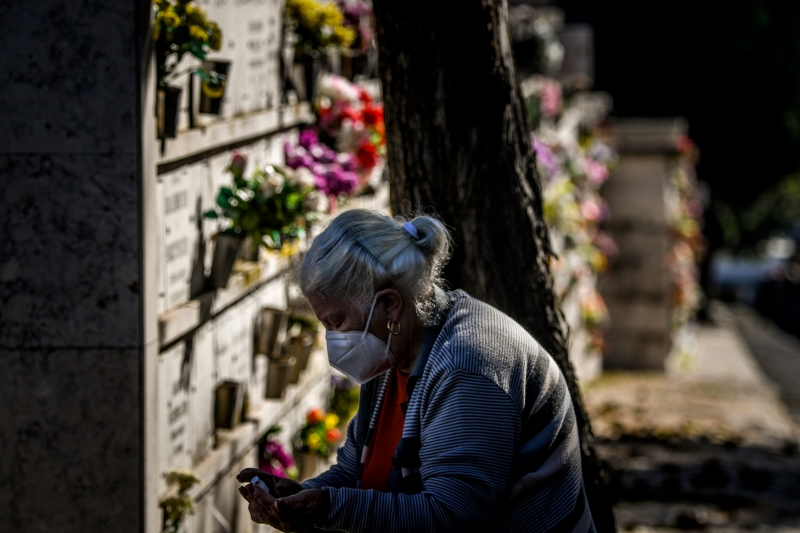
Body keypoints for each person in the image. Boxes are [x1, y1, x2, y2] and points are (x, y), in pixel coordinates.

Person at [237, 209, 594, 533]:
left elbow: (453, 517)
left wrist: (328, 507)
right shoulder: (393, 351)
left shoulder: (467, 365)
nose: (332, 338)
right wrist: (299, 499)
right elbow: (356, 473)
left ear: (390, 305)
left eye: (337, 320)